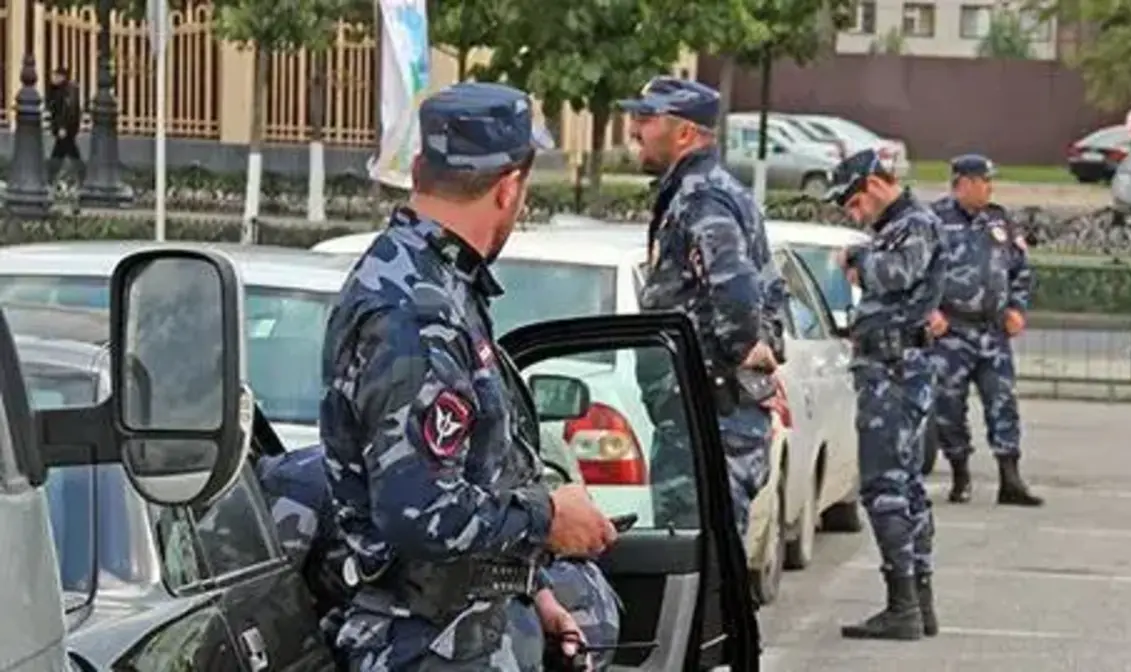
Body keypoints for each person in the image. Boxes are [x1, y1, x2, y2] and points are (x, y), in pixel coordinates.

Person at [319, 81, 618, 671]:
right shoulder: (414, 310)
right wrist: (550, 518)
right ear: (509, 189)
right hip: (428, 648)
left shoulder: (436, 281)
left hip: (462, 635)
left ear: (424, 167)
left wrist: (531, 590)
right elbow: (420, 511)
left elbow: (477, 474)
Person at [256, 445, 622, 670]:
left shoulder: (466, 482)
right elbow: (259, 599)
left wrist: (543, 602)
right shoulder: (304, 484)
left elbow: (480, 540)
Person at [615, 76, 788, 546]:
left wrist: (742, 350)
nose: (634, 130)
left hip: (709, 419)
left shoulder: (701, 198)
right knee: (707, 566)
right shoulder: (708, 190)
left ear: (685, 133)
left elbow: (737, 292)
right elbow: (773, 286)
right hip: (704, 415)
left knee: (701, 566)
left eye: (646, 120)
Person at [825, 149, 945, 641]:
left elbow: (898, 274)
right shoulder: (900, 226)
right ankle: (917, 602)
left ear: (874, 185)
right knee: (905, 485)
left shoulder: (914, 224)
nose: (855, 215)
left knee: (885, 487)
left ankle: (903, 607)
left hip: (893, 370)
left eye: (854, 203)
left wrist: (860, 260)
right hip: (890, 365)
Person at [929, 154, 1044, 507]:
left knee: (1003, 402)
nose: (989, 187)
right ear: (964, 182)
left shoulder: (999, 220)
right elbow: (916, 273)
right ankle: (960, 472)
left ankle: (1010, 478)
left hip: (992, 332)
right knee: (948, 406)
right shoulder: (933, 221)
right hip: (952, 332)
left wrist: (1017, 309)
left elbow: (1020, 270)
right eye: (984, 181)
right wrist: (928, 312)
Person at [46, 67, 86, 188]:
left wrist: (63, 127)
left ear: (62, 77)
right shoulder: (59, 89)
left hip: (66, 129)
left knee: (63, 153)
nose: (54, 78)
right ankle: (52, 177)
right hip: (64, 128)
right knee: (66, 152)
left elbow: (69, 110)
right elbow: (52, 105)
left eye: (56, 76)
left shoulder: (68, 90)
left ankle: (51, 178)